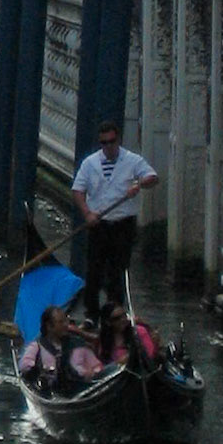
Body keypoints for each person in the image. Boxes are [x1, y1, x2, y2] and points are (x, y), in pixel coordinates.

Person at [72, 120, 159, 322]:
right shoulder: (90, 163)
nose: (108, 146)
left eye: (111, 141)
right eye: (104, 143)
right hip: (98, 225)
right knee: (94, 270)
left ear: (118, 140)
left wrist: (139, 183)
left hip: (123, 225)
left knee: (117, 270)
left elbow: (153, 177)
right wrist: (87, 214)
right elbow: (78, 190)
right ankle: (91, 315)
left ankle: (115, 314)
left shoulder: (132, 161)